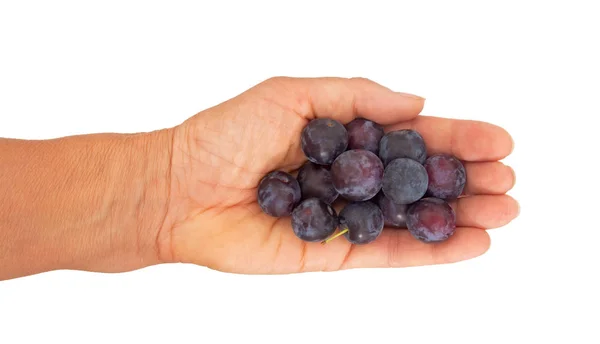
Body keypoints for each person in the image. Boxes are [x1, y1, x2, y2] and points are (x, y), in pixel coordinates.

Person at [0, 77, 519, 281]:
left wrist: (156, 190)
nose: (365, 172)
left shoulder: (371, 189)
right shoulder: (340, 176)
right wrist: (159, 188)